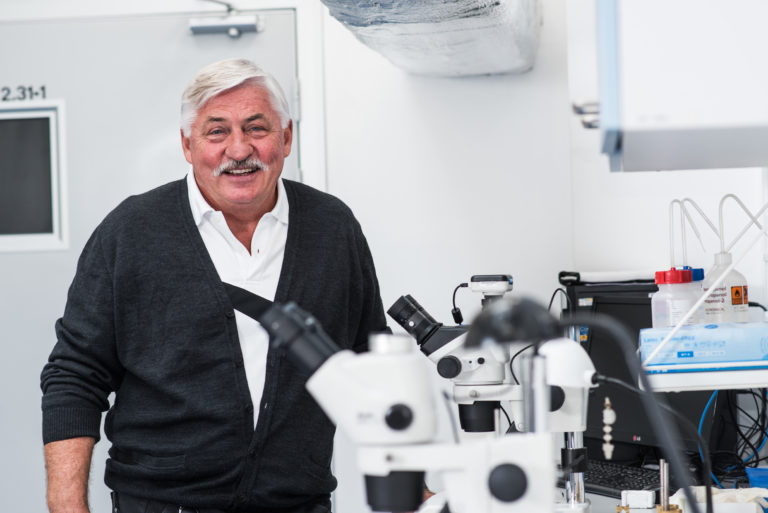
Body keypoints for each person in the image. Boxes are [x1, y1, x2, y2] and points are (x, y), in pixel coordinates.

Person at [41, 58, 387, 513]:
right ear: (188, 144)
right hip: (161, 504)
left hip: (298, 504)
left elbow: (373, 366)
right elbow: (75, 375)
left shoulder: (332, 227)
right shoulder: (131, 231)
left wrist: (413, 490)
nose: (239, 150)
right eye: (217, 131)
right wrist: (67, 507)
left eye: (256, 128)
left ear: (286, 138)